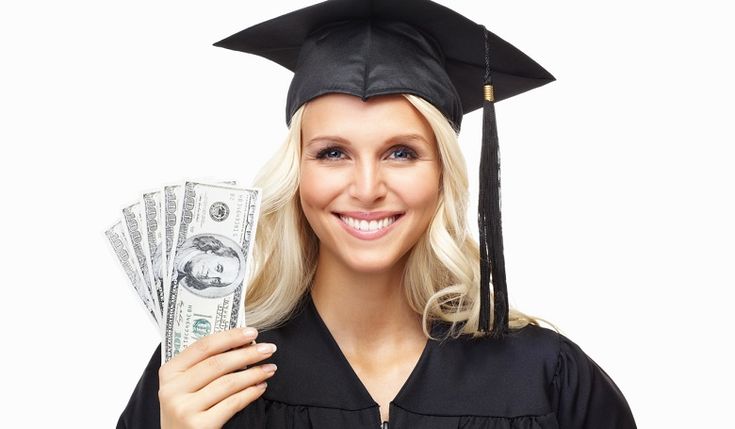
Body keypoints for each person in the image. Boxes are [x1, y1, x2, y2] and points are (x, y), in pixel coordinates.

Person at [118, 1, 637, 428]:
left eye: (401, 153)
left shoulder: (548, 377)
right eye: (332, 153)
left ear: (443, 175)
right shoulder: (207, 373)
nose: (367, 188)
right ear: (297, 172)